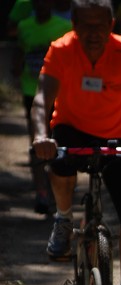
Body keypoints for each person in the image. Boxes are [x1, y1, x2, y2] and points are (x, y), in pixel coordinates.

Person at [31, 0, 121, 285]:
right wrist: (40, 137)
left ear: (112, 23)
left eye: (101, 25)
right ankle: (63, 218)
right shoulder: (61, 50)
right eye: (86, 26)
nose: (94, 33)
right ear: (74, 23)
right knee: (59, 162)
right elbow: (41, 100)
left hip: (115, 137)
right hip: (70, 130)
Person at [13, 0, 71, 214]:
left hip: (58, 93)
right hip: (31, 90)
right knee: (37, 139)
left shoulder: (64, 27)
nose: (42, 4)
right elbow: (20, 50)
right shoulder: (25, 26)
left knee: (57, 141)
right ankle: (41, 191)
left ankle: (56, 191)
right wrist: (17, 66)